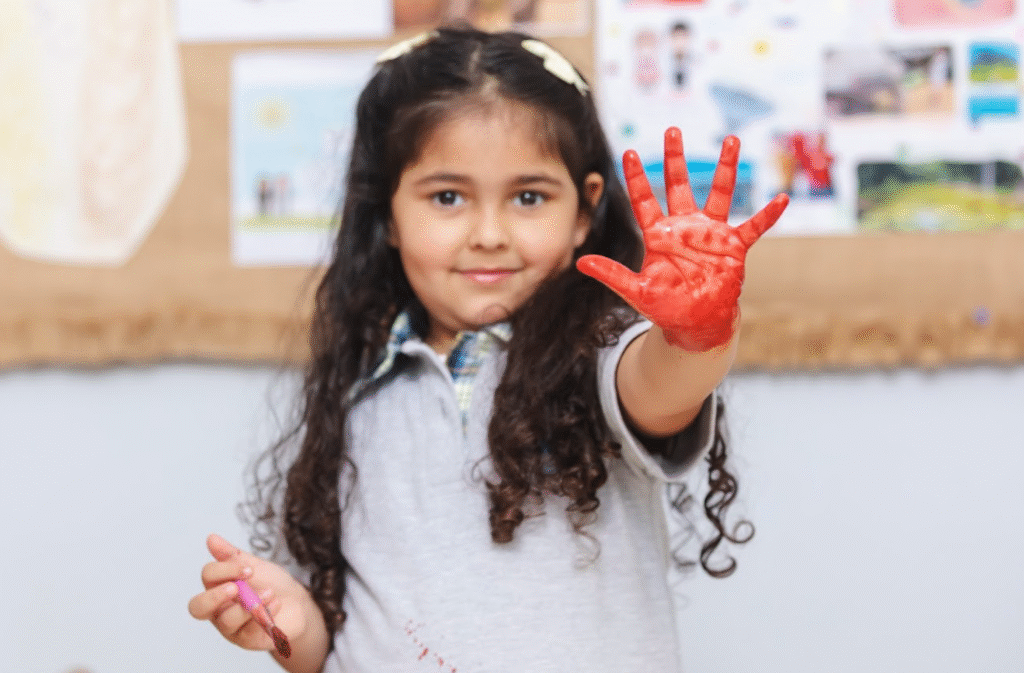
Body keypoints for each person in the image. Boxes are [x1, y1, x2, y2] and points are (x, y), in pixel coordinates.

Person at [188, 26, 788, 673]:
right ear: (387, 212)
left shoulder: (599, 347)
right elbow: (343, 639)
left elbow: (663, 386)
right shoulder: (358, 389)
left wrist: (697, 334)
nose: (490, 234)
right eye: (448, 197)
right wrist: (297, 623)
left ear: (584, 209)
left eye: (528, 197)